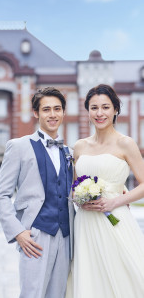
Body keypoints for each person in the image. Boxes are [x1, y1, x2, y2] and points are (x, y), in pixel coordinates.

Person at [0, 87, 75, 298]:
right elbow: (2, 195)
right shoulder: (18, 146)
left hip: (66, 236)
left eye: (57, 109)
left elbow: (82, 185)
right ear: (36, 113)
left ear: (63, 112)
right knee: (32, 294)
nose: (52, 114)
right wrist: (18, 232)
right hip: (35, 236)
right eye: (46, 109)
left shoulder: (70, 152)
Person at [66, 84, 144, 298]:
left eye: (105, 107)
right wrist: (79, 200)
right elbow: (72, 187)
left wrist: (116, 202)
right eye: (94, 108)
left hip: (114, 221)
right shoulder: (80, 146)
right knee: (90, 279)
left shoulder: (125, 143)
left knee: (122, 275)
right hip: (85, 223)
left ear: (116, 110)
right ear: (88, 111)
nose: (99, 113)